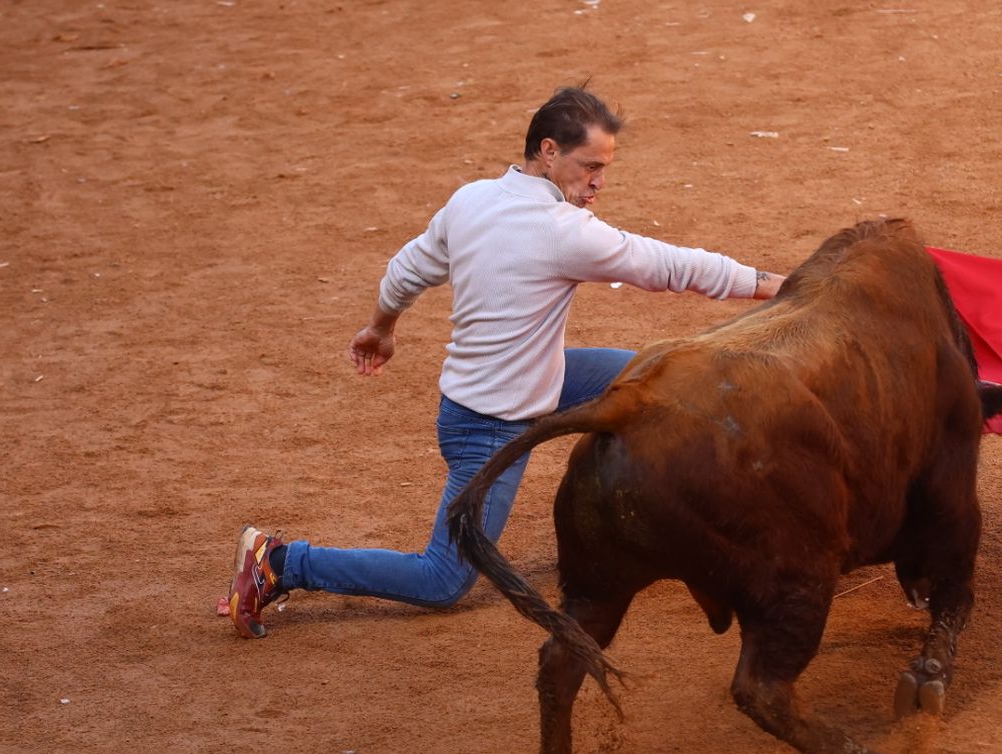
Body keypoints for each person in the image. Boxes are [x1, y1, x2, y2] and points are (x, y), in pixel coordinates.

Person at [222, 85, 786, 638]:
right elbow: (676, 267)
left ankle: (661, 525)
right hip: (490, 427)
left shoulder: (471, 199)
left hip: (526, 382)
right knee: (441, 580)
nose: (599, 182)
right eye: (590, 166)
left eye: (605, 167)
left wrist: (380, 328)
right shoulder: (562, 231)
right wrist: (784, 289)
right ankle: (281, 562)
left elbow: (407, 269)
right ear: (548, 151)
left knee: (660, 379)